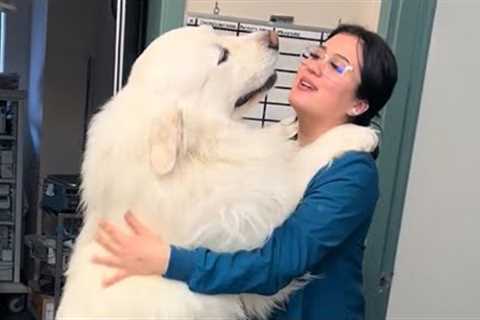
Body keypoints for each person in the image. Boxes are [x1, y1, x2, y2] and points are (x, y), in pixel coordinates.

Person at [92, 24, 398, 319]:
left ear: (359, 105)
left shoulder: (353, 172)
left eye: (337, 67)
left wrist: (168, 260)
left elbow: (275, 265)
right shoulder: (277, 141)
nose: (315, 66)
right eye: (317, 54)